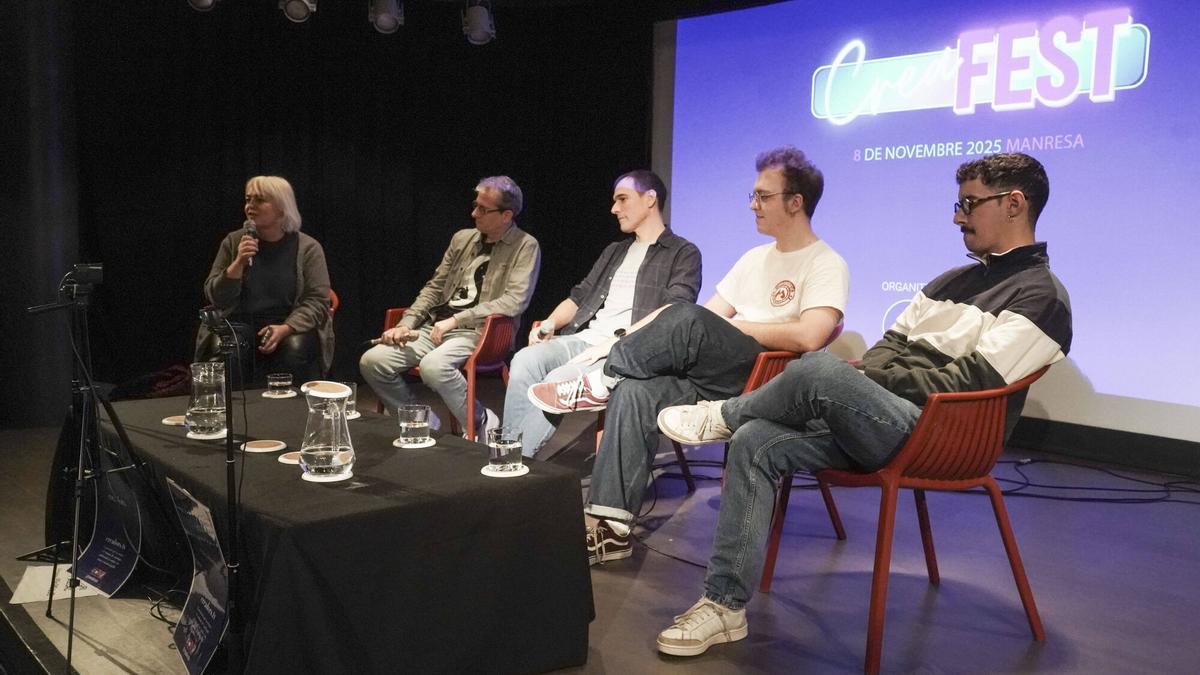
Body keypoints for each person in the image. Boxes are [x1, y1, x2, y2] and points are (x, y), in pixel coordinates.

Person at [651, 152, 1073, 657]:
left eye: (969, 204)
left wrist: (874, 381)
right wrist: (874, 379)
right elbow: (885, 349)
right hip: (883, 419)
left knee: (817, 368)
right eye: (958, 204)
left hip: (945, 436)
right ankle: (724, 606)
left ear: (1014, 203)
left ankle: (722, 415)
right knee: (756, 440)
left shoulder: (1040, 296)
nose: (957, 217)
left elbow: (967, 382)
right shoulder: (948, 282)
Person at [528, 147, 848, 564]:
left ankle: (603, 378)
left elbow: (811, 335)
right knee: (635, 391)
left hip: (770, 381)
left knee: (686, 316)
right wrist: (639, 338)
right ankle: (611, 527)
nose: (753, 204)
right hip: (718, 376)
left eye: (763, 196)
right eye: (753, 195)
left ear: (795, 202)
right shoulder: (754, 259)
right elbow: (704, 316)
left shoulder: (825, 262)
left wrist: (735, 327)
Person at [503, 170, 701, 457]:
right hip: (585, 340)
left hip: (626, 351)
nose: (614, 208)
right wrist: (549, 323)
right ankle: (507, 452)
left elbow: (674, 311)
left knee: (557, 380)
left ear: (650, 199)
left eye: (623, 199)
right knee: (525, 359)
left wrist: (614, 342)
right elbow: (579, 296)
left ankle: (514, 461)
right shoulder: (615, 251)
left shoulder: (683, 253)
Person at [359, 176, 540, 439]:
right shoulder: (462, 239)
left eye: (483, 209)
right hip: (436, 328)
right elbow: (435, 287)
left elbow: (515, 300)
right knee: (373, 361)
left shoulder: (525, 246)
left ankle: (480, 419)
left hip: (480, 332)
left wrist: (457, 320)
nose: (474, 213)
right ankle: (419, 420)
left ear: (506, 215)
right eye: (475, 205)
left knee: (434, 367)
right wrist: (406, 324)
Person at [196, 175, 333, 385]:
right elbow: (215, 297)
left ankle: (290, 406)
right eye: (248, 199)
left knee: (295, 350)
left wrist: (286, 328)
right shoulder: (233, 242)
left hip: (287, 323)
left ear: (282, 208)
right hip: (237, 323)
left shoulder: (308, 248)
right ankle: (227, 406)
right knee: (227, 351)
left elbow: (318, 301)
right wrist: (238, 263)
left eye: (259, 200)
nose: (250, 206)